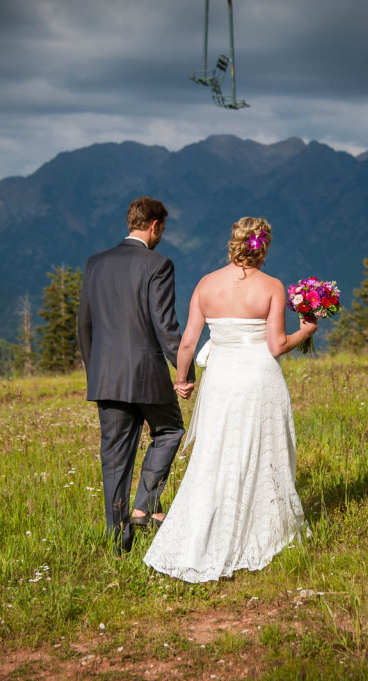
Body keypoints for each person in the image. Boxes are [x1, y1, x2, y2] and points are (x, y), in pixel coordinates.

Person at [143, 216, 317, 582]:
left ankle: (203, 531)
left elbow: (188, 341)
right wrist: (307, 330)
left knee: (216, 453)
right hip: (258, 379)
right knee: (262, 451)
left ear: (233, 243)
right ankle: (265, 530)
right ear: (263, 245)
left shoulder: (207, 284)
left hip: (221, 380)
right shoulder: (272, 287)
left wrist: (181, 380)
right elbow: (277, 346)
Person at [77, 196, 196, 554]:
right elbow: (165, 324)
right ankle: (145, 504)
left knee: (114, 459)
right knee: (170, 430)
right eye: (163, 229)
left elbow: (84, 324)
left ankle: (118, 543)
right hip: (146, 375)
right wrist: (183, 372)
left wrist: (95, 370)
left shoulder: (94, 264)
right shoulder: (158, 264)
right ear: (155, 225)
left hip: (106, 377)